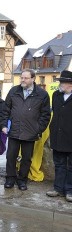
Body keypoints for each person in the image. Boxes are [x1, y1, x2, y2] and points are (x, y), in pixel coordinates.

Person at [0, 68, 51, 190]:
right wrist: (4, 125)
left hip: (30, 132)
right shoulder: (13, 91)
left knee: (27, 158)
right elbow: (5, 111)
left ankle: (22, 180)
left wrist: (38, 129)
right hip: (14, 131)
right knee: (11, 156)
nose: (23, 80)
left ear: (33, 79)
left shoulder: (42, 94)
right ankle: (10, 178)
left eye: (26, 78)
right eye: (21, 77)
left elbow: (45, 115)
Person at [47, 70, 72, 202]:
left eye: (63, 82)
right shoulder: (56, 95)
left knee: (71, 166)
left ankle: (69, 191)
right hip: (58, 135)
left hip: (70, 137)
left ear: (70, 84)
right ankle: (58, 188)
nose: (60, 84)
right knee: (59, 164)